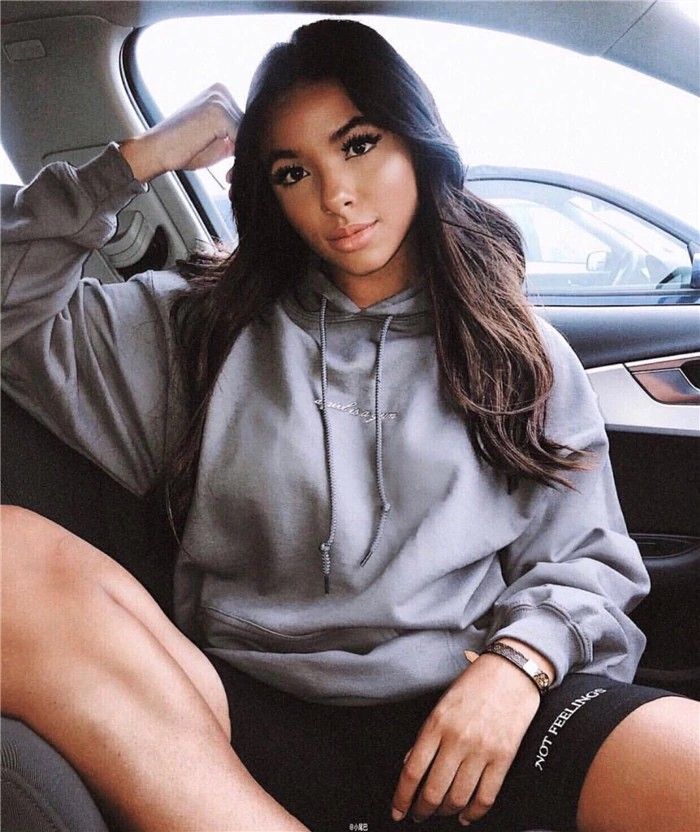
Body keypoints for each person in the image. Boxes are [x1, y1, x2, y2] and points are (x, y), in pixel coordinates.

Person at [1, 18, 698, 832]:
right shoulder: (200, 329)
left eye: (360, 146)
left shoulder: (518, 347)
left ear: (416, 142)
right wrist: (137, 161)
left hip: (472, 709)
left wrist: (518, 665)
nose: (335, 195)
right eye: (293, 171)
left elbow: (586, 559)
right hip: (239, 720)